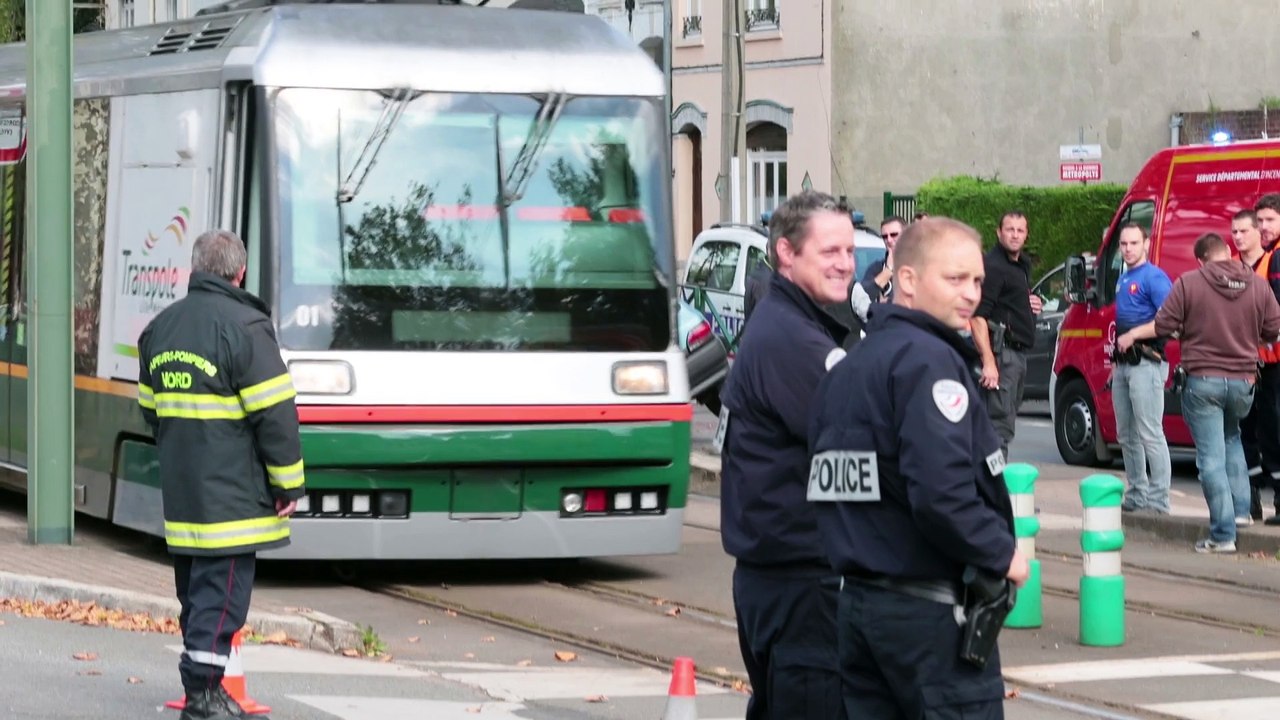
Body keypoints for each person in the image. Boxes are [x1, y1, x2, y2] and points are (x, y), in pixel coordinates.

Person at [810, 217, 1028, 719]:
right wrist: (1003, 556)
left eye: (977, 280)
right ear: (907, 279)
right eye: (955, 278)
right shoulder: (929, 362)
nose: (971, 293)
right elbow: (941, 493)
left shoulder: (849, 366)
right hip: (929, 617)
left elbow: (828, 484)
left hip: (860, 609)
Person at [137, 230, 306, 719]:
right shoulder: (246, 328)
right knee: (222, 600)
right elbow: (276, 414)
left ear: (195, 269)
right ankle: (204, 696)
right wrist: (288, 484)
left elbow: (150, 409)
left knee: (196, 597)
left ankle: (203, 687)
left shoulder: (160, 329)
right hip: (232, 500)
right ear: (240, 272)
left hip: (183, 494)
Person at [718, 190, 854, 719]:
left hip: (781, 579)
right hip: (802, 586)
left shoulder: (788, 321)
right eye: (830, 251)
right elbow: (860, 442)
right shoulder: (793, 339)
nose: (845, 263)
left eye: (849, 250)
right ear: (786, 253)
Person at [1121, 233, 1280, 553]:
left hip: (1204, 379)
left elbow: (1164, 324)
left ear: (1200, 260)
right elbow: (1274, 330)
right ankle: (1240, 513)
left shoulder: (1190, 283)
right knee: (1232, 438)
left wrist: (1181, 329)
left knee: (1210, 458)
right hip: (1244, 380)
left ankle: (1222, 534)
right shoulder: (1257, 284)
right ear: (1228, 253)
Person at [1110, 223, 1173, 514]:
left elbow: (1169, 320)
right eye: (1124, 244)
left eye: (1134, 243)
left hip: (1147, 362)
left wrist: (1134, 335)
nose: (1128, 249)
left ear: (1146, 243)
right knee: (1126, 434)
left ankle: (1158, 501)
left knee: (1150, 432)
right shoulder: (1124, 278)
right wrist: (1115, 362)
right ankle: (1137, 494)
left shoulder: (1154, 277)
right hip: (1124, 364)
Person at [972, 211, 1042, 458]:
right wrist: (989, 361)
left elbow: (1007, 302)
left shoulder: (1020, 264)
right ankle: (993, 479)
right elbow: (977, 317)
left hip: (1017, 356)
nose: (1015, 235)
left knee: (1005, 421)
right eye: (1010, 229)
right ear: (999, 233)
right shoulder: (993, 266)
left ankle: (992, 477)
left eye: (1020, 230)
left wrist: (1029, 302)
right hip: (1002, 355)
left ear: (1026, 234)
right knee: (997, 427)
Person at [1244, 197, 1280, 524]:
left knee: (1271, 431)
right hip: (1262, 361)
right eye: (1261, 221)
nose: (1263, 226)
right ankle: (1255, 497)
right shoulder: (1268, 256)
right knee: (1258, 431)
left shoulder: (1276, 257)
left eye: (1270, 220)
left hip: (1272, 363)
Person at [850, 215, 905, 322]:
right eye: (884, 236)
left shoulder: (919, 266)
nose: (889, 240)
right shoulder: (877, 268)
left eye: (894, 235)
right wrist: (887, 272)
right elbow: (860, 297)